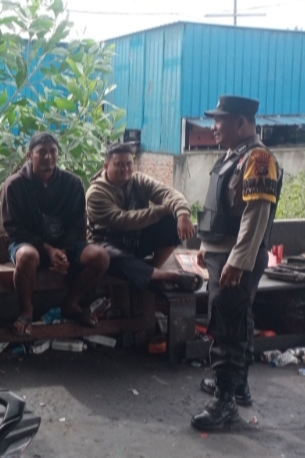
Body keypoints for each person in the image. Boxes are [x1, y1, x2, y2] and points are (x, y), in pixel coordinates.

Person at [190, 96, 282, 431]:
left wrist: (238, 261)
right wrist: (207, 247)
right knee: (237, 316)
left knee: (226, 325)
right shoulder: (233, 156)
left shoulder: (258, 158)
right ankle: (237, 384)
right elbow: (219, 209)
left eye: (219, 120)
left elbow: (256, 215)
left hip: (236, 256)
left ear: (241, 122)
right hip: (222, 252)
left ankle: (225, 401)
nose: (213, 127)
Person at [1, 132, 110, 335]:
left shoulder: (72, 183)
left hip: (65, 247)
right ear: (29, 155)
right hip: (29, 245)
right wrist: (48, 250)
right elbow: (14, 229)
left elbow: (78, 226)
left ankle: (71, 303)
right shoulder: (15, 185)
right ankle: (26, 311)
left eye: (53, 151)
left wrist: (63, 251)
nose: (48, 157)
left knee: (101, 257)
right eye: (41, 152)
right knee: (27, 256)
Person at [86, 143, 203, 293]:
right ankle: (166, 276)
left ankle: (153, 270)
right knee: (107, 258)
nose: (125, 168)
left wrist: (183, 213)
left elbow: (169, 193)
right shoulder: (96, 193)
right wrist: (163, 209)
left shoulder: (139, 180)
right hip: (108, 242)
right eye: (119, 164)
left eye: (129, 164)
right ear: (106, 166)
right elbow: (124, 220)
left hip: (136, 239)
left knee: (172, 221)